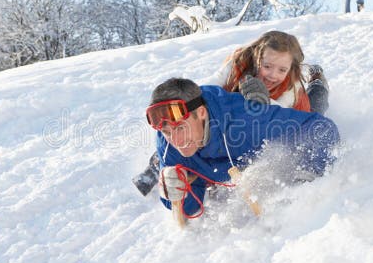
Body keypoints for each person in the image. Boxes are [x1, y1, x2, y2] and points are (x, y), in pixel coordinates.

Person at [133, 30, 330, 196]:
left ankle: (318, 82)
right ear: (257, 59)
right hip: (227, 116)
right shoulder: (238, 64)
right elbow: (205, 91)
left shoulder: (291, 89)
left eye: (281, 70)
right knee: (183, 126)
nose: (272, 75)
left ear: (290, 70)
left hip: (282, 115)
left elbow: (277, 123)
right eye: (267, 66)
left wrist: (262, 104)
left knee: (317, 110)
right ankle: (156, 165)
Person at [145, 78, 340, 218]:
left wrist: (311, 170)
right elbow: (190, 207)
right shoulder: (167, 143)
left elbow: (321, 128)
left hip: (270, 109)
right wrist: (174, 195)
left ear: (201, 113)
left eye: (180, 128)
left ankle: (317, 84)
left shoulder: (247, 121)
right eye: (167, 132)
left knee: (309, 107)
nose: (176, 140)